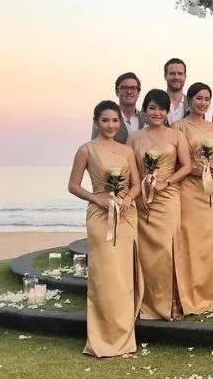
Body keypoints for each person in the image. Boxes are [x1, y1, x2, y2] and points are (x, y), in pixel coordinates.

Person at [68, 100, 143, 358]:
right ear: (96, 122)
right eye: (105, 120)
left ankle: (124, 336)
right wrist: (97, 199)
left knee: (123, 275)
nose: (111, 125)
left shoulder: (127, 151)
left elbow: (136, 184)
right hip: (100, 216)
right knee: (104, 275)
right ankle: (102, 338)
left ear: (120, 122)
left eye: (115, 120)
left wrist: (128, 198)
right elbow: (73, 185)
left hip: (126, 216)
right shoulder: (86, 149)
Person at [127, 89, 192, 321]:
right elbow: (130, 171)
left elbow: (187, 166)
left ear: (167, 112)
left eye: (162, 109)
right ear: (145, 110)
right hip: (143, 200)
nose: (157, 113)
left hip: (168, 197)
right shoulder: (134, 137)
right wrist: (136, 196)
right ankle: (146, 301)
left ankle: (172, 301)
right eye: (152, 108)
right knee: (146, 253)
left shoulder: (176, 135)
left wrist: (166, 182)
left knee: (167, 248)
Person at [171, 83, 213, 315]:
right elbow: (176, 162)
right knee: (190, 239)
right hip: (189, 188)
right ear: (190, 100)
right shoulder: (178, 126)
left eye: (206, 99)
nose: (203, 103)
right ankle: (189, 294)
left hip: (212, 188)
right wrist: (195, 170)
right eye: (198, 98)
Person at [91, 72, 147, 144]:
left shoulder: (146, 119)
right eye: (124, 88)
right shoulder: (104, 118)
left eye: (133, 88)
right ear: (117, 92)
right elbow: (95, 145)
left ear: (138, 93)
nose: (129, 92)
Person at [163, 58, 189, 125]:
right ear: (165, 76)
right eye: (172, 73)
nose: (176, 77)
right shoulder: (154, 102)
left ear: (185, 76)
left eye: (180, 74)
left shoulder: (192, 104)